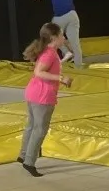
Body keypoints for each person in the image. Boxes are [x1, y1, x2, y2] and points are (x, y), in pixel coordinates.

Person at [17, 23, 73, 177]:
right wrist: (61, 78)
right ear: (54, 37)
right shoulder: (49, 53)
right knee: (39, 129)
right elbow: (39, 72)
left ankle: (23, 155)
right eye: (62, 35)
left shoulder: (50, 52)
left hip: (34, 93)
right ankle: (29, 161)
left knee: (31, 126)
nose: (64, 38)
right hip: (42, 96)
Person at [25, 0, 84, 69]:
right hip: (72, 16)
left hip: (59, 18)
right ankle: (79, 66)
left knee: (53, 38)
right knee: (75, 43)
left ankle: (67, 52)